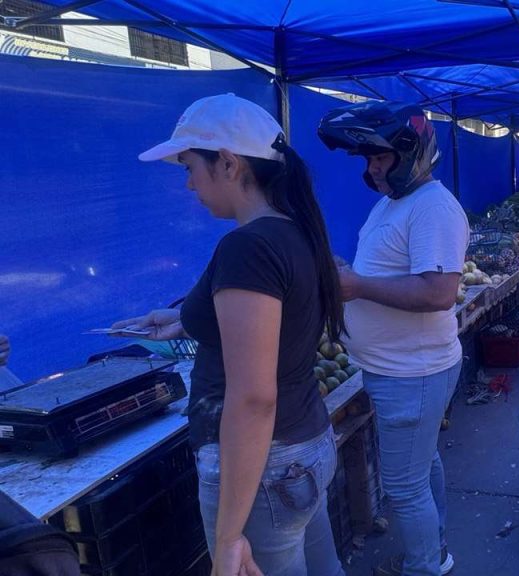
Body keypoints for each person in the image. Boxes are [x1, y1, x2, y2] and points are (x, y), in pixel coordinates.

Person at [115, 94, 345, 576]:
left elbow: (255, 398)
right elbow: (274, 319)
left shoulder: (249, 247)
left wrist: (228, 537)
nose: (188, 183)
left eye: (189, 166)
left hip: (263, 467)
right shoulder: (295, 231)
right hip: (303, 444)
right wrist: (183, 319)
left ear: (227, 163)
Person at [318, 102, 468, 576]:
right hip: (401, 370)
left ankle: (424, 566)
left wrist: (358, 286)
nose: (373, 169)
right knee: (422, 468)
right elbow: (391, 271)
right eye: (369, 159)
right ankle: (433, 551)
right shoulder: (394, 203)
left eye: (381, 158)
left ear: (412, 154)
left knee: (404, 486)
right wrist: (352, 273)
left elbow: (439, 292)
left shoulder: (433, 207)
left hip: (412, 373)